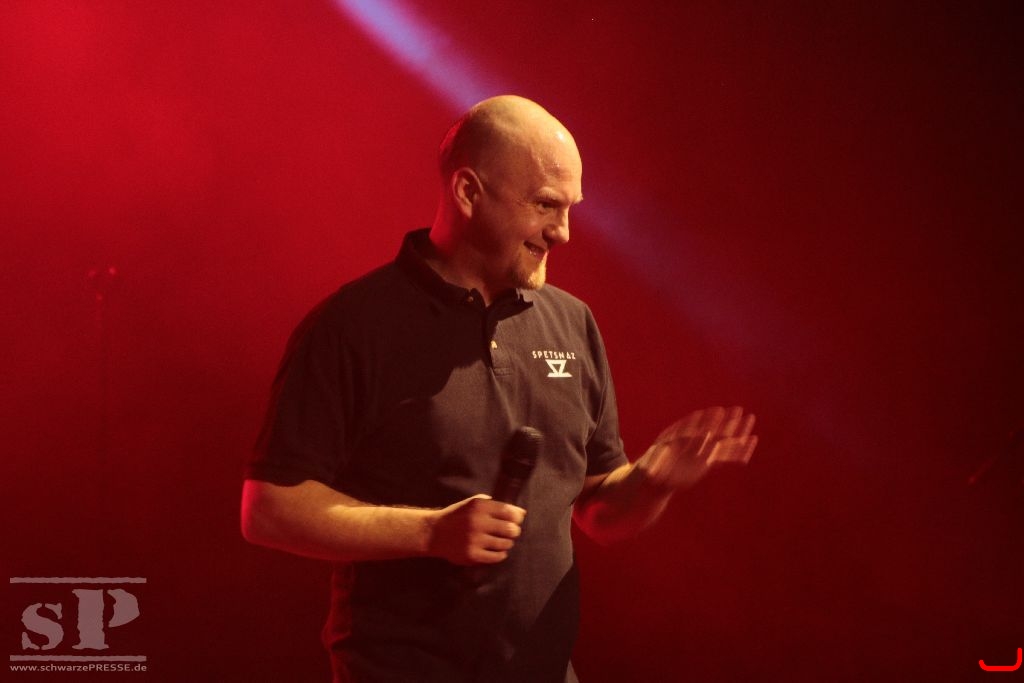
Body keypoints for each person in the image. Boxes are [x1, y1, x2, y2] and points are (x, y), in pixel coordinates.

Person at [241, 95, 757, 682]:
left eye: (570, 208)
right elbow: (269, 510)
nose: (563, 232)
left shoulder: (572, 323)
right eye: (544, 205)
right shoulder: (354, 326)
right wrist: (430, 531)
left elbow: (599, 513)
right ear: (468, 192)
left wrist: (650, 481)